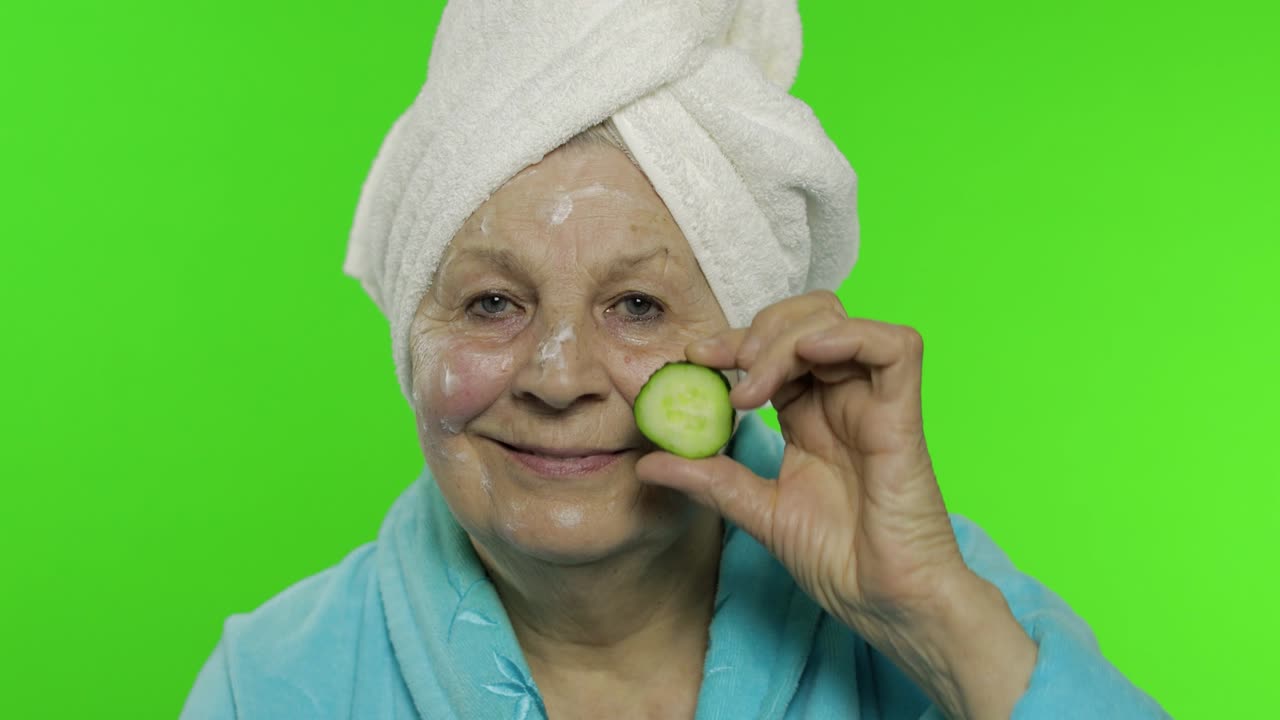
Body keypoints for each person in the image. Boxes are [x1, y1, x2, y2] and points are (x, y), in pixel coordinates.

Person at [181, 1, 1171, 718]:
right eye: (491, 303)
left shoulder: (955, 609)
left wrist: (934, 626)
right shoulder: (270, 685)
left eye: (637, 306)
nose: (558, 378)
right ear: (411, 338)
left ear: (752, 352)